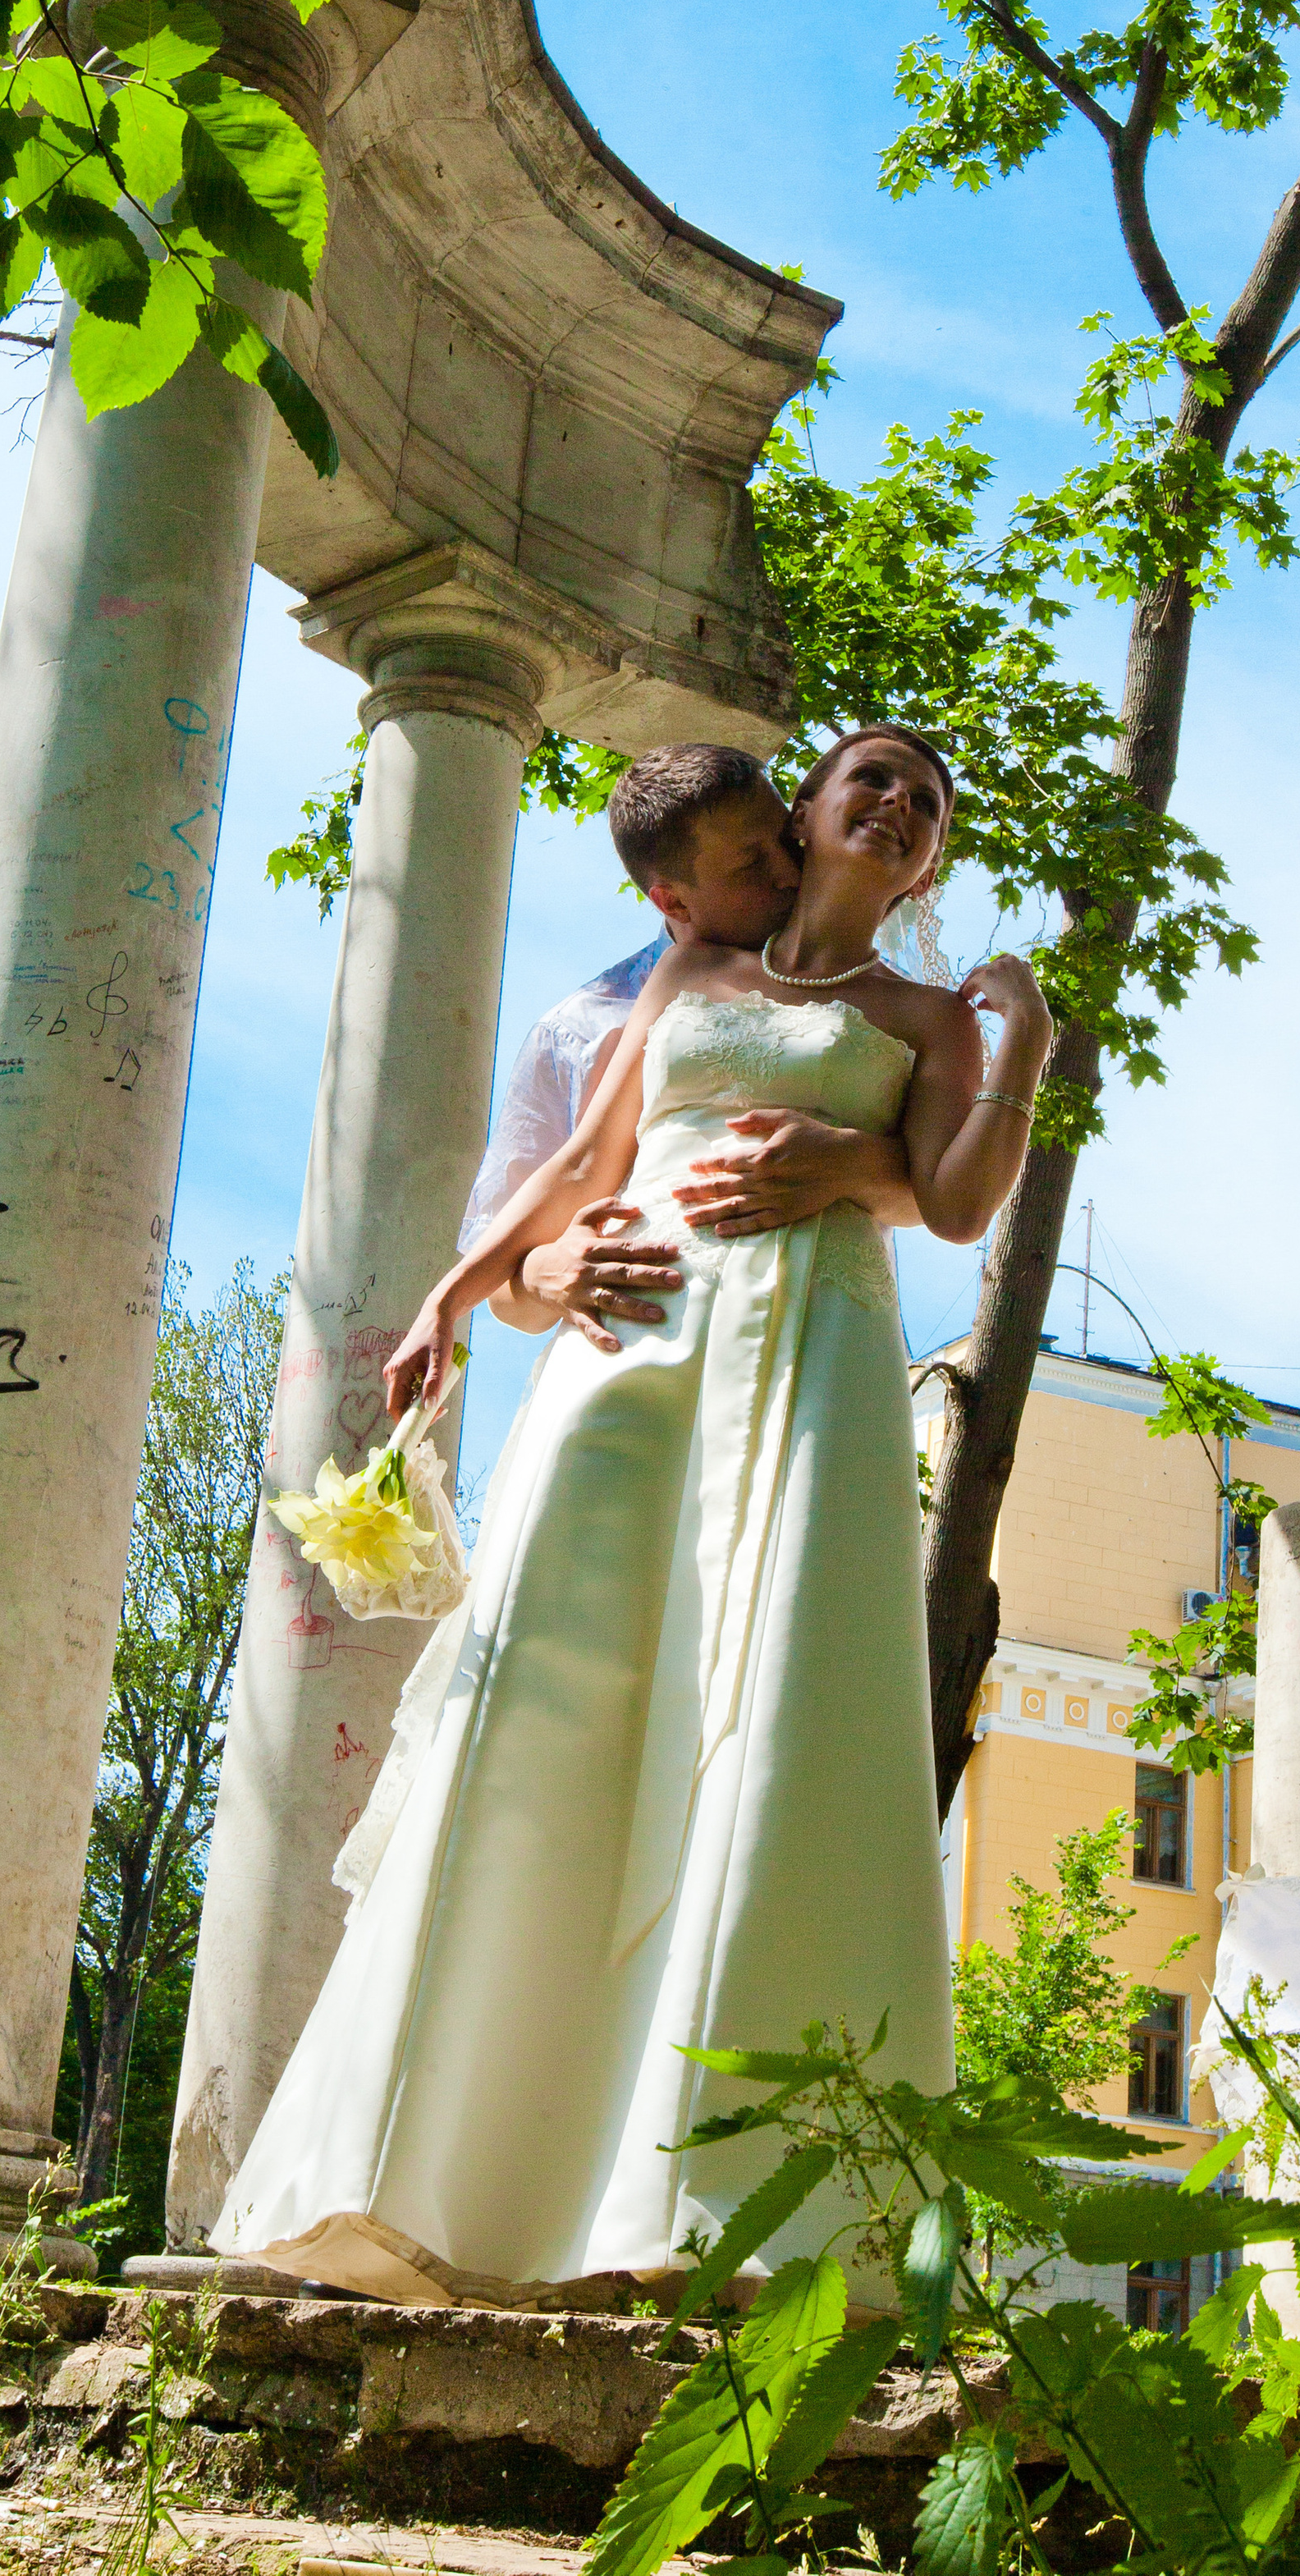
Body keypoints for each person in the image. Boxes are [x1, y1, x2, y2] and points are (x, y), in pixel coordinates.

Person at [211, 728, 1051, 2306]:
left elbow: (951, 1202)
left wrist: (1016, 1042)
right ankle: (425, 2187)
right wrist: (454, 1301)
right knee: (546, 1711)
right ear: (801, 819)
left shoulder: (931, 1016)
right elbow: (590, 1160)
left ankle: (719, 2210)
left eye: (929, 802)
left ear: (928, 858)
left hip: (807, 1365)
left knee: (774, 1720)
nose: (899, 805)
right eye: (869, 779)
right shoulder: (685, 985)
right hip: (630, 1374)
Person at [469, 744, 921, 1355]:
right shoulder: (579, 1031)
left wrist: (853, 1161)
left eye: (786, 843)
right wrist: (541, 1275)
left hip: (816, 1346)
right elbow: (508, 1296)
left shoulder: (876, 1010)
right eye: (749, 866)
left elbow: (942, 1199)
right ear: (673, 901)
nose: (788, 874)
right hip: (636, 1353)